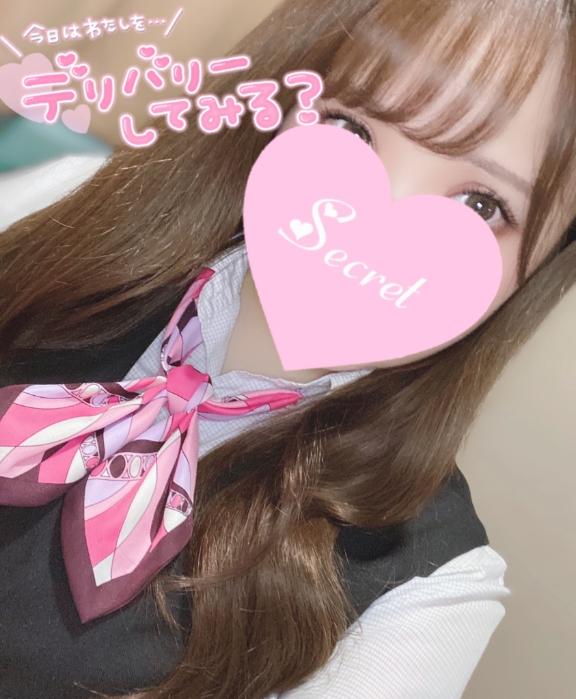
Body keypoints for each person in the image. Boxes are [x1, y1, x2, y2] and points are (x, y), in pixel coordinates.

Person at [0, 0, 575, 697]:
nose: (381, 217)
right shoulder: (64, 204)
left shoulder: (425, 593)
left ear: (537, 273)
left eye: (481, 205)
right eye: (350, 127)